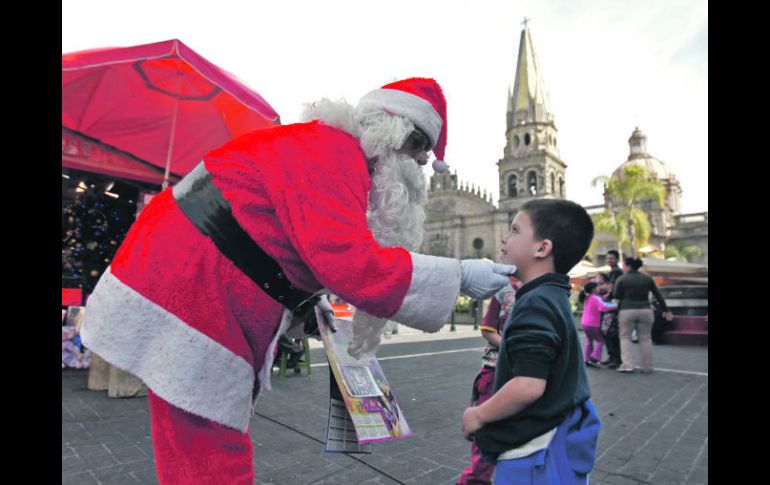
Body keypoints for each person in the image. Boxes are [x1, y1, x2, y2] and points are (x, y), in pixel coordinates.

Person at [81, 77, 517, 485]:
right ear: (393, 135)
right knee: (209, 445)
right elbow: (351, 262)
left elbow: (283, 240)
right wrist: (458, 275)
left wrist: (306, 303)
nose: (421, 167)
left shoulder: (325, 149)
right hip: (191, 292)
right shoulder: (332, 155)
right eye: (418, 153)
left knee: (193, 433)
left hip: (184, 282)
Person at [461, 199, 601, 485]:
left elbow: (528, 385)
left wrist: (478, 414)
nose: (504, 238)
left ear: (541, 248)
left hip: (536, 452)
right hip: (556, 438)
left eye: (514, 230)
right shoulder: (552, 295)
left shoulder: (535, 303)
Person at [456, 276, 520, 485]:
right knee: (485, 428)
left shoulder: (545, 292)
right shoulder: (504, 291)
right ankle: (476, 479)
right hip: (496, 369)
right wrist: (511, 349)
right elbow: (487, 329)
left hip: (526, 374)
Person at [612, 257, 673, 374]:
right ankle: (647, 367)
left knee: (625, 337)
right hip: (646, 310)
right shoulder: (647, 278)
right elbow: (658, 295)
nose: (623, 267)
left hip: (627, 310)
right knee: (646, 338)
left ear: (628, 265)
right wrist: (666, 309)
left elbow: (616, 298)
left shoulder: (622, 279)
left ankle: (628, 365)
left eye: (624, 265)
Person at [578, 281, 618, 368]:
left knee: (589, 341)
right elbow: (603, 307)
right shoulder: (596, 298)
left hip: (585, 323)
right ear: (593, 289)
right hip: (593, 323)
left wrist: (605, 297)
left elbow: (599, 301)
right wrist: (616, 305)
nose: (599, 288)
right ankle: (595, 357)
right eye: (597, 286)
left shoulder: (587, 297)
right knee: (600, 340)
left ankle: (586, 359)